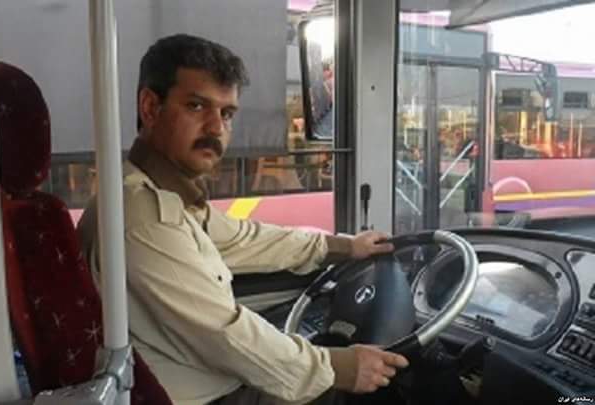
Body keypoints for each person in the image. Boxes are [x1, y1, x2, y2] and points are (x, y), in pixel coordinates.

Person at [77, 34, 408, 405]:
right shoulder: (144, 216)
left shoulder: (165, 198)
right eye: (197, 106)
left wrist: (342, 247)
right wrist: (336, 368)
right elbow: (223, 334)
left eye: (227, 114)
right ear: (151, 107)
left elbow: (243, 238)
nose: (216, 128)